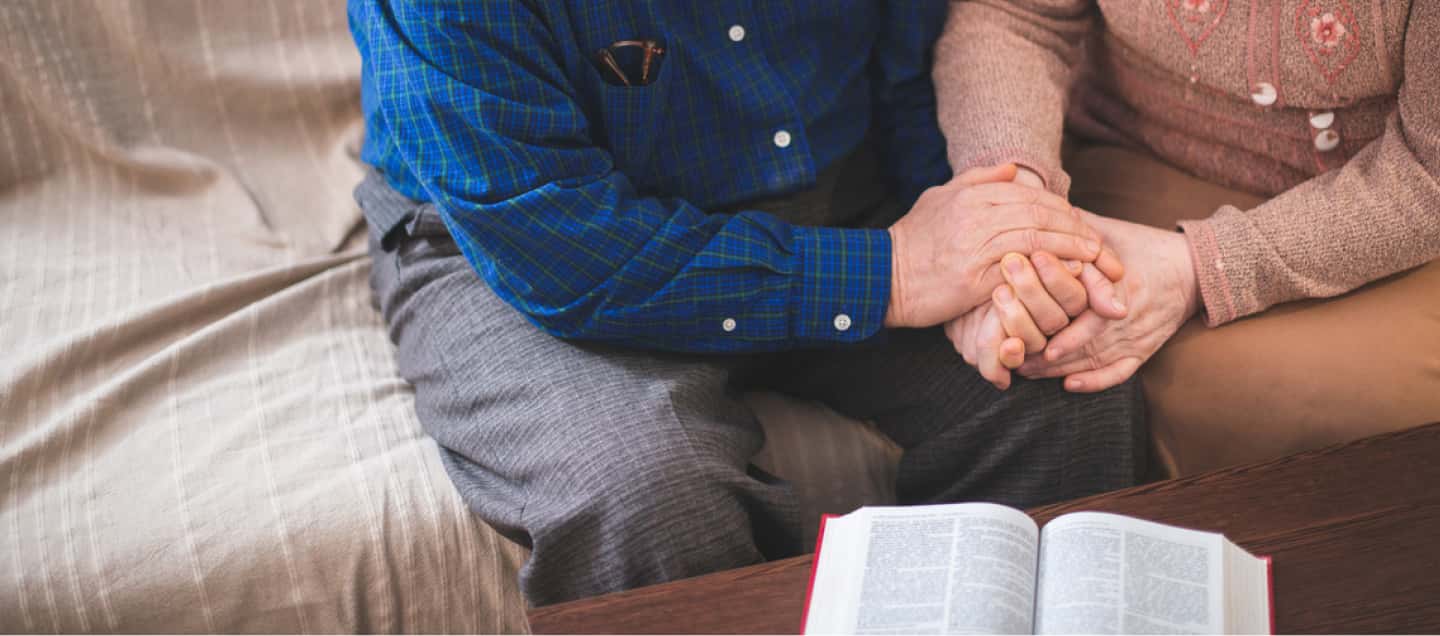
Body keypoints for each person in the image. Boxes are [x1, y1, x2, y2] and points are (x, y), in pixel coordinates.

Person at [348, 0, 1146, 605]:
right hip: (521, 236)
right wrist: (893, 275)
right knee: (646, 495)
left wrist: (984, 255)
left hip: (846, 187)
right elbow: (553, 239)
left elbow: (913, 73)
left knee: (1062, 377)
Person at [933, 0, 1440, 475]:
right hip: (1122, 165)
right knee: (1032, 346)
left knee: (1279, 396)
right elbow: (1019, 17)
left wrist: (1204, 267)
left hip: (1387, 224)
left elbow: (1427, 172)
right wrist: (1017, 210)